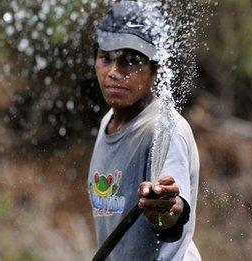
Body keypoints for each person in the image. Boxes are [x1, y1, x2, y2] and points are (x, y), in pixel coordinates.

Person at [87, 1, 200, 260]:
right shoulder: (109, 122)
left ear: (157, 68)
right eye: (106, 57)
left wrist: (164, 208)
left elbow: (171, 214)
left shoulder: (164, 129)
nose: (114, 72)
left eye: (131, 60)